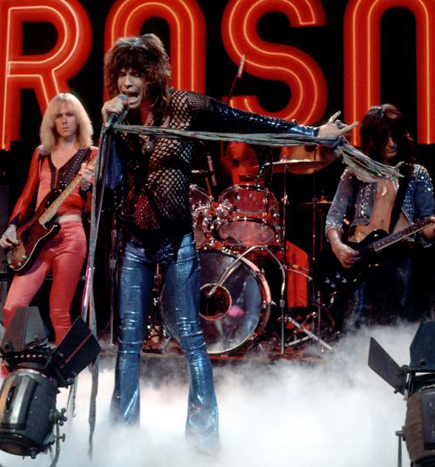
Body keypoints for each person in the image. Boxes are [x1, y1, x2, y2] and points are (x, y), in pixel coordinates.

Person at [101, 33, 354, 451]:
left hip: (178, 240)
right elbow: (109, 181)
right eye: (122, 74)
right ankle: (122, 439)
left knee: (189, 334)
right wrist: (109, 129)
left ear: (152, 76)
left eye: (136, 74)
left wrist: (312, 132)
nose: (128, 82)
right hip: (135, 243)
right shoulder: (119, 123)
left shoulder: (185, 107)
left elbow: (248, 122)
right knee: (129, 339)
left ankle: (203, 440)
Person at [325, 103, 435, 328]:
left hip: (401, 262)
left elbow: (426, 229)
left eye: (395, 136)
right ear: (371, 139)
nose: (392, 143)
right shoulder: (354, 173)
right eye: (384, 138)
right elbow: (334, 216)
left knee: (400, 328)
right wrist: (337, 246)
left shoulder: (416, 174)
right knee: (355, 329)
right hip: (361, 261)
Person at [0, 93, 96, 362]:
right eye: (59, 115)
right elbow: (27, 195)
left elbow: (92, 208)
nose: (64, 120)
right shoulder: (41, 154)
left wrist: (87, 186)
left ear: (79, 119)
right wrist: (12, 227)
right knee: (12, 306)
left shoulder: (91, 155)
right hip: (36, 238)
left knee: (59, 312)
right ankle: (12, 370)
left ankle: (65, 374)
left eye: (69, 114)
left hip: (70, 236)